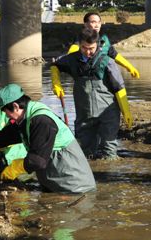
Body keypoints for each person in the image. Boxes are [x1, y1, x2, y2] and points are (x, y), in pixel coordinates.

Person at [0, 84, 96, 193]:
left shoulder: (41, 121)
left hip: (74, 187)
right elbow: (2, 138)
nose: (6, 116)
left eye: (6, 112)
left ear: (16, 106)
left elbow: (38, 160)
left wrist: (15, 167)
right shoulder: (24, 118)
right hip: (54, 183)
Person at [51, 28, 132, 160]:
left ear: (97, 45)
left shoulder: (107, 61)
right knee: (85, 150)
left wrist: (126, 111)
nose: (88, 52)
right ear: (79, 44)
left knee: (109, 149)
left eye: (91, 48)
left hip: (108, 112)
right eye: (84, 48)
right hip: (84, 113)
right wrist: (56, 83)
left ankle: (110, 174)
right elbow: (55, 65)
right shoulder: (71, 59)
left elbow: (119, 88)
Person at [67, 12, 140, 79]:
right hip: (86, 80)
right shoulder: (81, 38)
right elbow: (72, 52)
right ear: (85, 24)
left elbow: (114, 54)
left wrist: (129, 67)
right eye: (93, 22)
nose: (97, 25)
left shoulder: (104, 38)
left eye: (99, 22)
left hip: (103, 80)